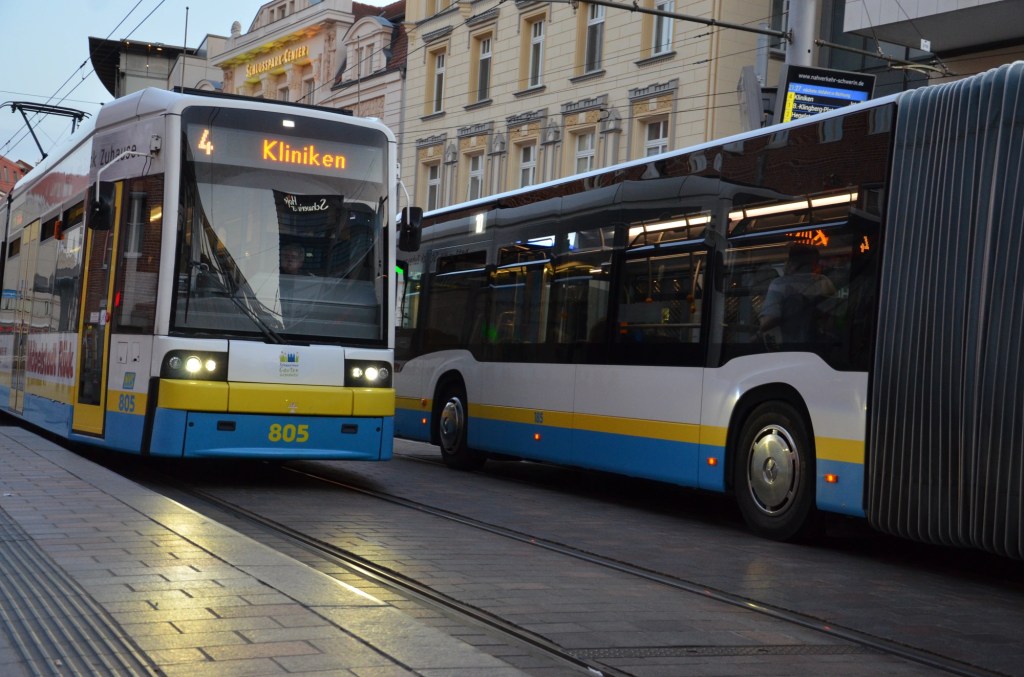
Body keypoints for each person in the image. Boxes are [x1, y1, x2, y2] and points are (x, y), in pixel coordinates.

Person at [759, 244, 836, 343]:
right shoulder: (825, 282)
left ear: (790, 263)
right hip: (820, 346)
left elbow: (769, 319)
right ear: (815, 263)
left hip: (790, 348)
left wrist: (758, 331)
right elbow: (832, 318)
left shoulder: (780, 284)